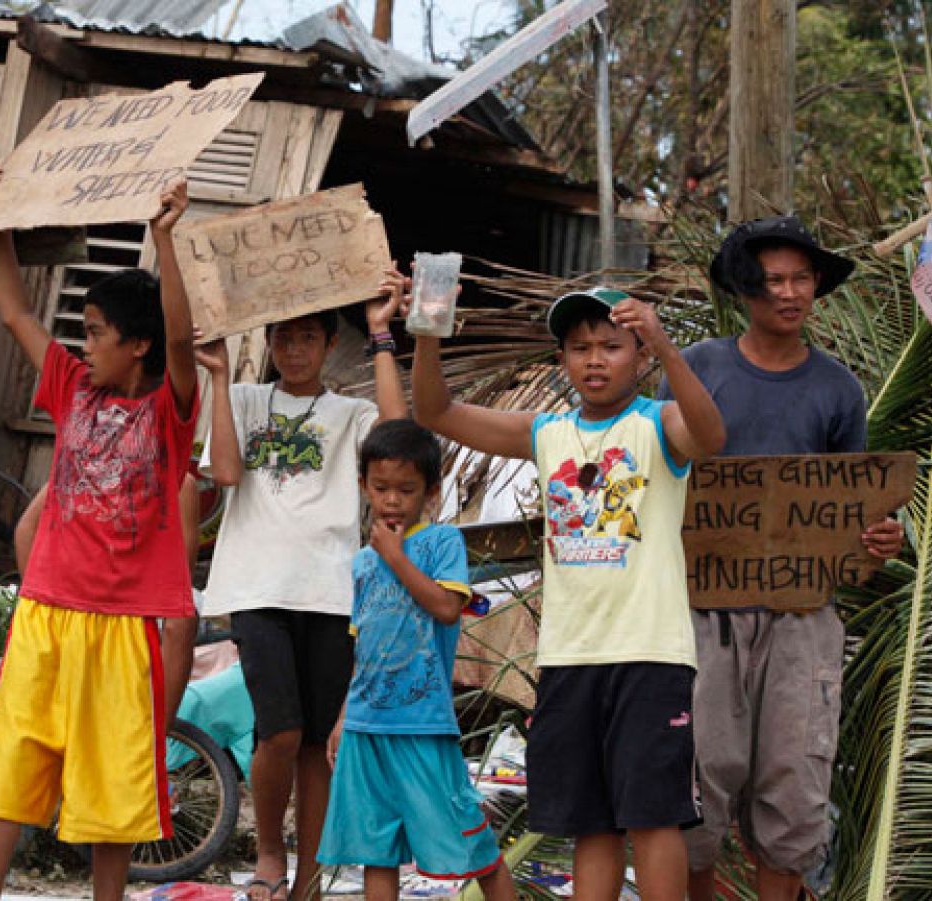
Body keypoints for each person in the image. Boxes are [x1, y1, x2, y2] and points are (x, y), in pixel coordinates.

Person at [412, 287, 726, 901]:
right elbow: (435, 412)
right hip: (565, 655)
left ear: (639, 355)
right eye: (579, 348)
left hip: (649, 653)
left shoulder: (656, 424)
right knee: (591, 820)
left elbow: (710, 435)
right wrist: (427, 330)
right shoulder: (546, 432)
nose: (595, 360)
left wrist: (668, 345)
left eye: (612, 346)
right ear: (561, 361)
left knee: (654, 814)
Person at [0, 166, 198, 901]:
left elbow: (184, 337)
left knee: (114, 782)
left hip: (124, 624)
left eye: (96, 332)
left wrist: (166, 241)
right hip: (46, 610)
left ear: (137, 345)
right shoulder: (70, 388)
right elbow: (11, 311)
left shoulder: (169, 411)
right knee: (9, 763)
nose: (83, 342)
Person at [668, 216, 904, 901]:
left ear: (817, 288)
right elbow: (659, 475)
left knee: (795, 781)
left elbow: (851, 507)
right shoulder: (700, 368)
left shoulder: (840, 390)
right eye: (773, 280)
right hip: (702, 611)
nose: (789, 292)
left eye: (801, 278)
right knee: (697, 779)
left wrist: (877, 537)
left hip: (804, 615)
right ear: (747, 290)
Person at [194, 271, 410, 901]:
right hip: (258, 587)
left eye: (307, 338)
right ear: (269, 345)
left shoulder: (352, 414)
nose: (294, 350)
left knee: (316, 743)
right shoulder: (241, 399)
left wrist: (380, 332)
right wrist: (215, 374)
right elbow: (227, 473)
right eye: (283, 338)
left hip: (332, 591)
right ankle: (268, 855)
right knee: (279, 731)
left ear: (327, 345)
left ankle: (309, 873)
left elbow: (399, 442)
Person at [317, 418, 518, 901]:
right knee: (375, 850)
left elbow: (448, 609)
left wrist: (396, 557)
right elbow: (361, 647)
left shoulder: (440, 542)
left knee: (470, 840)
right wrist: (343, 718)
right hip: (367, 725)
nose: (391, 500)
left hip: (422, 723)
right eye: (381, 488)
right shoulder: (362, 561)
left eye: (405, 490)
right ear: (363, 485)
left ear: (430, 491)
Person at [13, 474, 201, 719]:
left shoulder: (88, 465)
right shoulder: (87, 467)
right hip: (99, 627)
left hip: (85, 625)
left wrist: (44, 605)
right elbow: (27, 530)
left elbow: (26, 530)